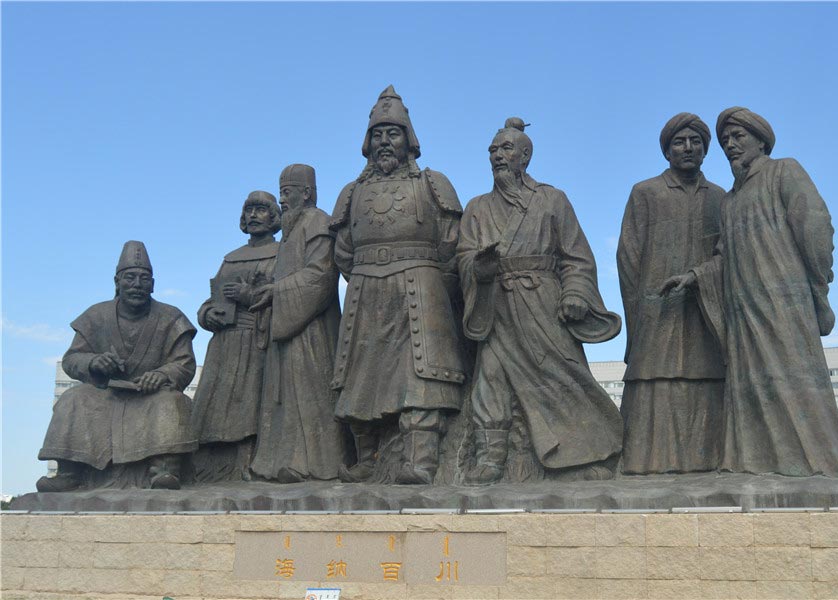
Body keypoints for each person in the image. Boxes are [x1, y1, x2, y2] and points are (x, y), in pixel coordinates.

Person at [661, 107, 838, 478]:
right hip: (743, 308)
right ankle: (755, 463)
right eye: (725, 141)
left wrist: (818, 287)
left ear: (761, 141)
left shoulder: (784, 171)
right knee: (751, 384)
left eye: (738, 137)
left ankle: (819, 465)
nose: (730, 145)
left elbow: (815, 227)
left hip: (783, 301)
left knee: (794, 379)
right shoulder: (731, 200)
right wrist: (695, 276)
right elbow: (723, 256)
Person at [457, 118, 623, 484]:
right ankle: (490, 458)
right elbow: (463, 256)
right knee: (491, 378)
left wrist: (575, 292)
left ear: (525, 156)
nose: (497, 156)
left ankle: (584, 455)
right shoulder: (477, 208)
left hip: (542, 306)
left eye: (506, 149)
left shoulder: (552, 200)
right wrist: (478, 268)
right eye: (493, 150)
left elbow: (576, 258)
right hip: (496, 305)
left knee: (562, 375)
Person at [330, 86, 467, 484]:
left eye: (393, 133)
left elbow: (451, 242)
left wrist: (437, 286)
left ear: (409, 139)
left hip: (420, 288)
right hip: (365, 292)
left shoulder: (432, 183)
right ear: (367, 142)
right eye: (378, 134)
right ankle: (367, 459)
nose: (385, 142)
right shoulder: (352, 192)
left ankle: (420, 461)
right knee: (361, 377)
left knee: (421, 374)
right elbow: (342, 250)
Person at [37, 241, 197, 491]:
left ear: (153, 284)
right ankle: (70, 471)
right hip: (106, 395)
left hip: (150, 396)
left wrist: (162, 374)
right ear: (117, 282)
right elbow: (72, 359)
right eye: (130, 277)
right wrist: (93, 362)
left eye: (144, 279)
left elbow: (184, 363)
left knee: (172, 402)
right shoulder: (95, 315)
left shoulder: (171, 317)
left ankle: (164, 471)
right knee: (73, 398)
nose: (137, 284)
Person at [616, 113, 726, 474]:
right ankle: (643, 464)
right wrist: (638, 314)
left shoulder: (721, 198)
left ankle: (708, 463)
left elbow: (728, 256)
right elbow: (628, 256)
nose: (688, 148)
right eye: (679, 142)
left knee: (706, 377)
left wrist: (701, 278)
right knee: (654, 379)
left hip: (705, 312)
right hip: (656, 311)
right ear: (667, 151)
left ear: (706, 149)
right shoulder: (646, 192)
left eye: (696, 141)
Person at [249, 164, 346, 483]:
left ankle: (316, 464)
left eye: (286, 193)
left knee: (311, 394)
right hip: (287, 325)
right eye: (281, 194)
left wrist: (277, 291)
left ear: (306, 193)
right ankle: (281, 461)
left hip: (312, 329)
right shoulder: (290, 231)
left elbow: (321, 275)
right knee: (285, 397)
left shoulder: (317, 222)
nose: (282, 201)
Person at [190, 191, 280, 482]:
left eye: (261, 209)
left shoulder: (282, 254)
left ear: (274, 216)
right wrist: (207, 315)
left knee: (249, 402)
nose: (253, 215)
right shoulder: (230, 259)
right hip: (223, 343)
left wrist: (249, 295)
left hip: (258, 339)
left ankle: (247, 462)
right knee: (213, 404)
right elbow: (210, 300)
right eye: (249, 210)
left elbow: (287, 297)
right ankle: (208, 467)